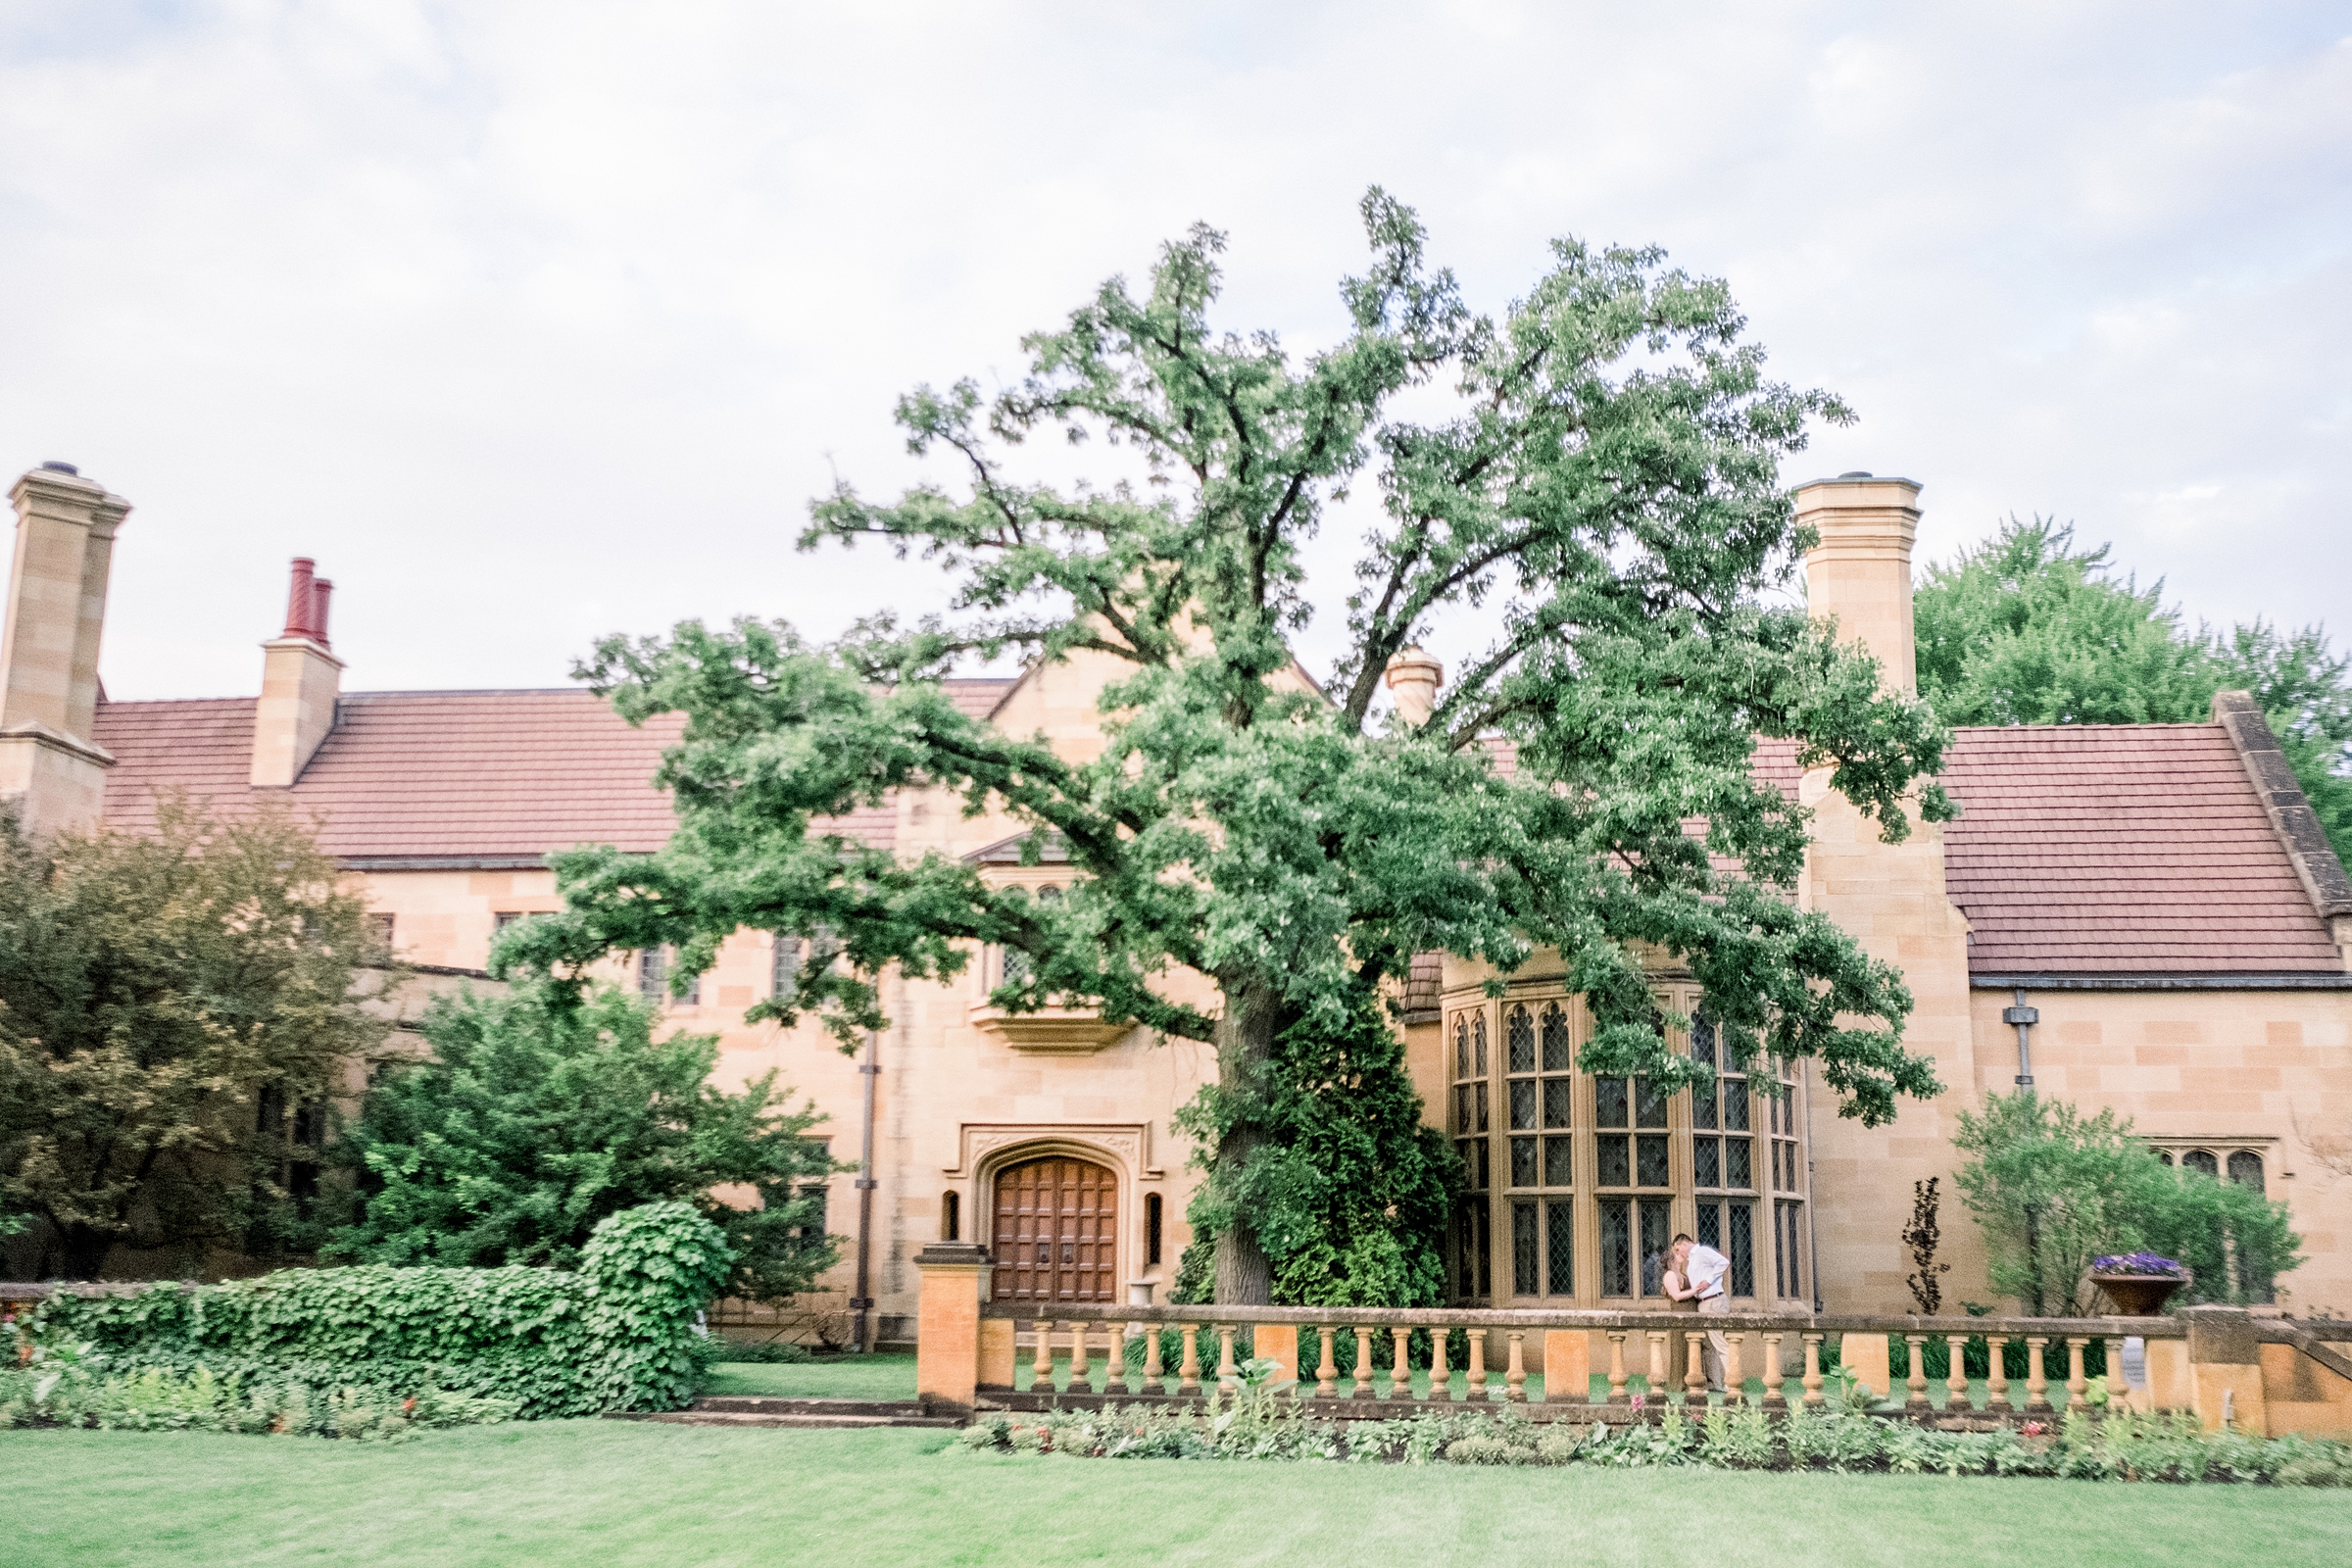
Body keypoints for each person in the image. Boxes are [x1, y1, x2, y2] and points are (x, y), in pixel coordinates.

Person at [1672, 1234, 1732, 1392]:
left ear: (1683, 1244)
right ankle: (1716, 1383)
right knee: (1709, 1345)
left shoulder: (1702, 1252)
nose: (1679, 1254)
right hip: (1704, 1303)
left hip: (1713, 1301)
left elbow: (1724, 1262)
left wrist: (1709, 1280)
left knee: (1720, 1343)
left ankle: (1733, 1381)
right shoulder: (1693, 1260)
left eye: (1678, 1250)